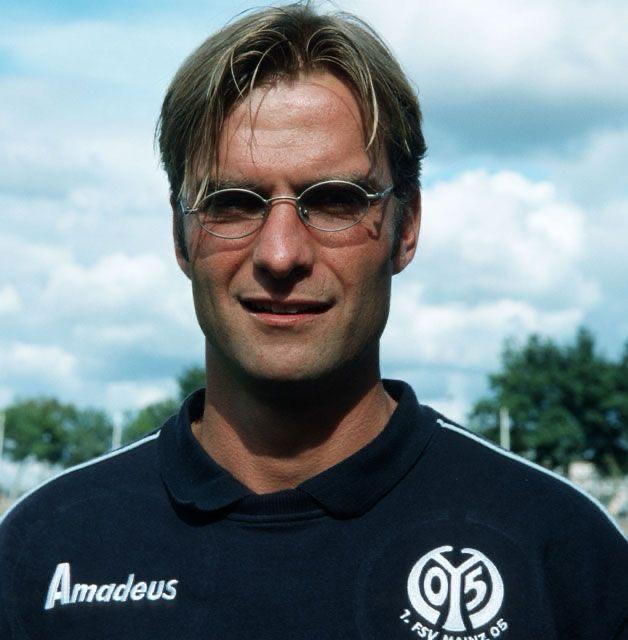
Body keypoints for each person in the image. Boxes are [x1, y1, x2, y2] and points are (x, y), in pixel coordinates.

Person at [1, 3, 626, 639]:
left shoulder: (563, 554)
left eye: (334, 201)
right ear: (180, 235)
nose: (280, 254)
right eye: (233, 203)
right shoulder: (40, 552)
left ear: (407, 227)